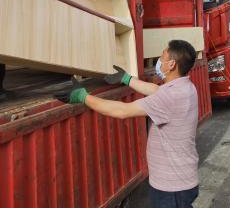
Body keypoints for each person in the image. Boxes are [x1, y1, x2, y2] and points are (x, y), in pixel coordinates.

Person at [61, 40, 200, 208]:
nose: (159, 61)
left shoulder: (169, 97)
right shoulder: (186, 88)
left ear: (171, 64)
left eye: (162, 57)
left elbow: (122, 111)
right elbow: (155, 90)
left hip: (172, 187)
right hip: (183, 180)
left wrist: (83, 97)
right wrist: (127, 78)